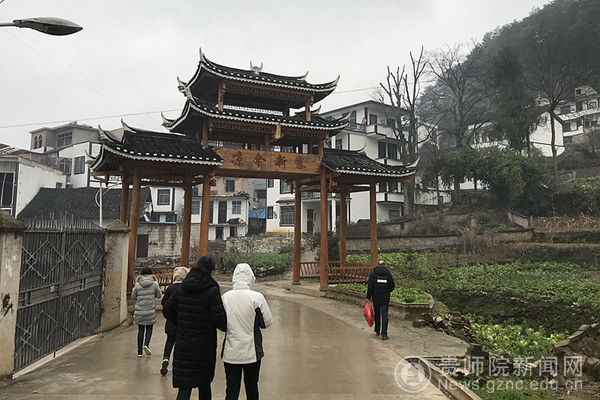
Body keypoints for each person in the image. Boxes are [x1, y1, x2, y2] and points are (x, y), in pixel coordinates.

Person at [163, 256, 227, 400]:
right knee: (204, 386)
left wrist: (181, 322)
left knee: (184, 388)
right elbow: (220, 321)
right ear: (211, 271)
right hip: (205, 346)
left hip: (184, 344)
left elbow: (167, 310)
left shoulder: (182, 287)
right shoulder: (212, 290)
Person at [221, 263, 273, 400]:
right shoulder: (257, 297)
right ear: (251, 277)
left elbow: (220, 323)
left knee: (231, 390)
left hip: (230, 350)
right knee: (252, 387)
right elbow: (267, 322)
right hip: (252, 351)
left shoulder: (225, 297)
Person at [160, 266, 189, 376]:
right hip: (183, 320)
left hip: (171, 321)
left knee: (169, 341)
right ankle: (180, 364)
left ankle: (166, 358)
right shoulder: (186, 289)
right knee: (182, 344)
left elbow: (164, 303)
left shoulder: (170, 289)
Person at [131, 266, 162, 357]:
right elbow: (159, 295)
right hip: (150, 310)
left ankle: (139, 352)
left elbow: (133, 297)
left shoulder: (137, 285)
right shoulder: (154, 284)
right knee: (149, 328)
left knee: (141, 330)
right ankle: (146, 344)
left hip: (139, 310)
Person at [366, 260, 395, 340]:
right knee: (385, 315)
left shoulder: (373, 274)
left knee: (377, 314)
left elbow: (370, 286)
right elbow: (392, 285)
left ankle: (377, 330)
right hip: (385, 297)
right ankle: (384, 334)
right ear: (384, 265)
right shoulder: (388, 274)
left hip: (376, 297)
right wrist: (387, 291)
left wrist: (368, 297)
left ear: (378, 265)